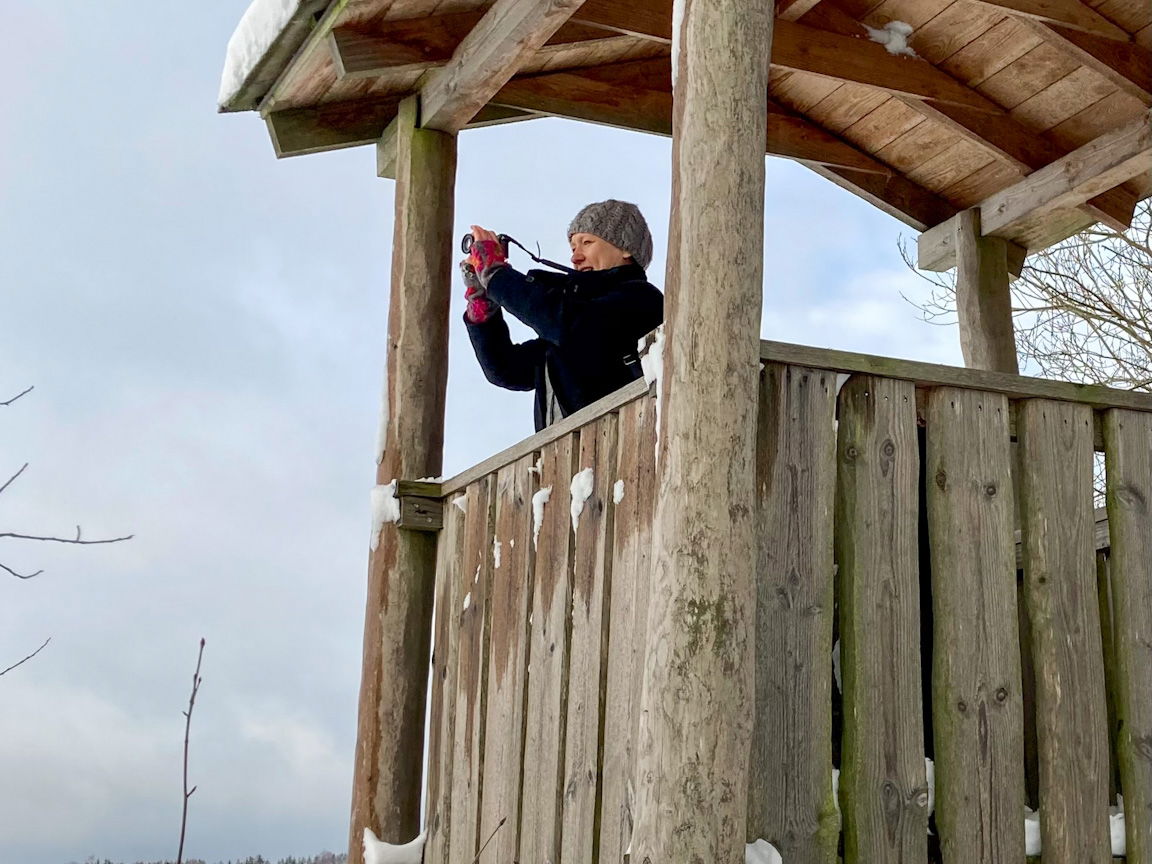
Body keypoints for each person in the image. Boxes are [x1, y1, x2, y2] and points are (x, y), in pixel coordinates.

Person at [462, 199, 664, 431]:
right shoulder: (571, 321)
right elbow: (505, 370)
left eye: (587, 243)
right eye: (573, 247)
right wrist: (480, 301)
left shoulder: (641, 298)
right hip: (565, 460)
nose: (575, 257)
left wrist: (495, 275)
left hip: (620, 452)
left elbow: (567, 325)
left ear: (627, 248)